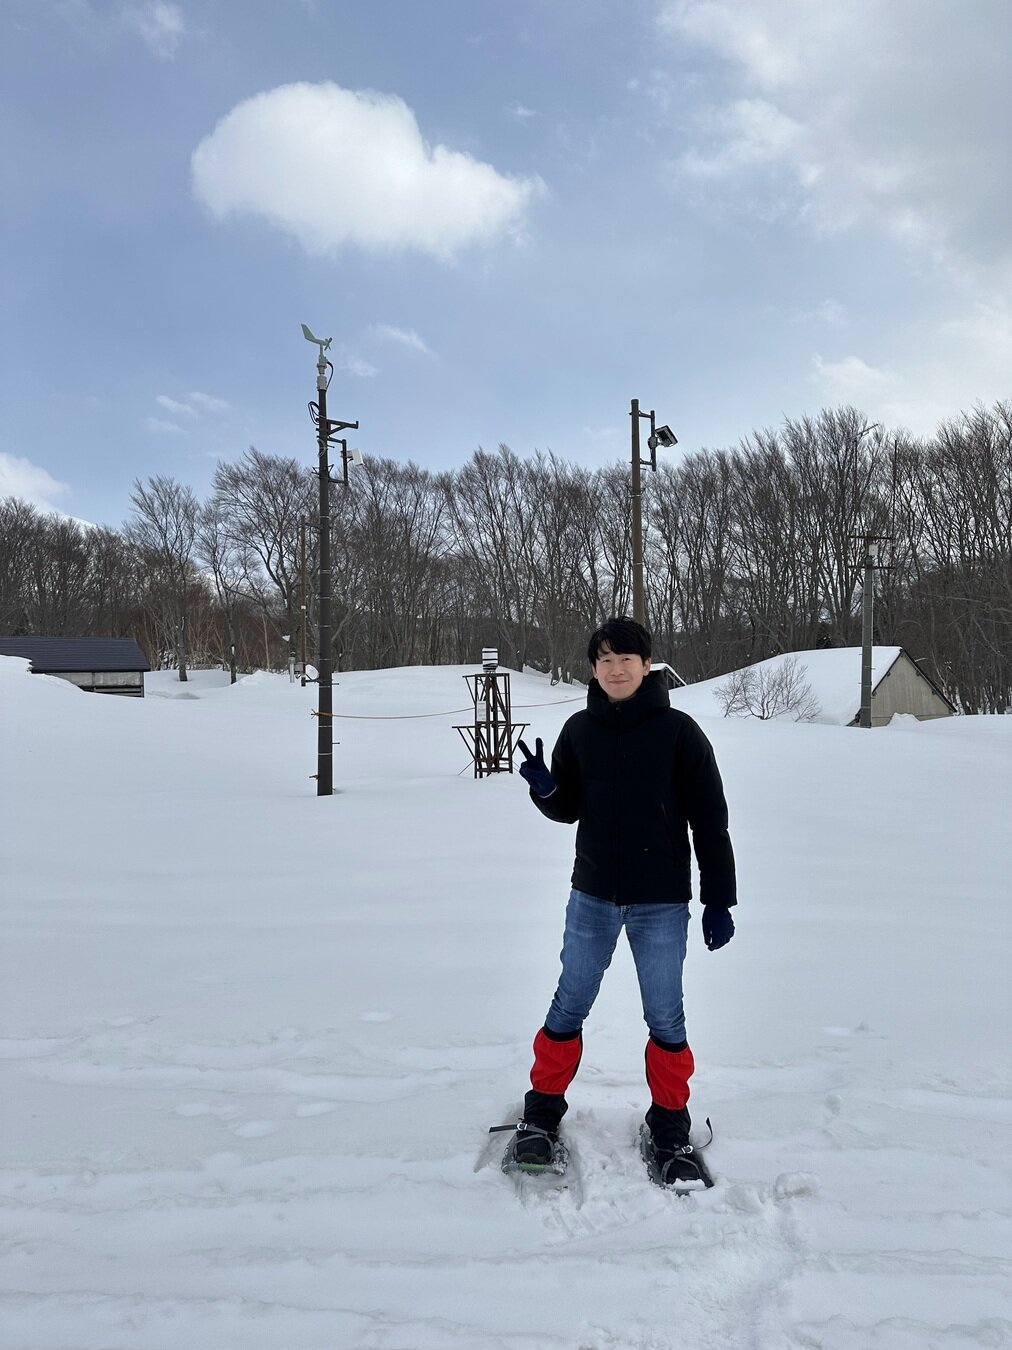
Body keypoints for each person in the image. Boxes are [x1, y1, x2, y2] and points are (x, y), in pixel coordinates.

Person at [510, 616, 736, 1186]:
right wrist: (546, 789)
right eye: (605, 659)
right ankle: (541, 1115)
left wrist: (719, 899)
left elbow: (710, 821)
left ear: (646, 665)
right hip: (592, 897)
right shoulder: (579, 731)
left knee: (665, 1015)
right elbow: (568, 807)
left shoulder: (679, 732)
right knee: (569, 1004)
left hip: (661, 902)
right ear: (593, 668)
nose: (616, 669)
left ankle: (670, 1126)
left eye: (626, 659)